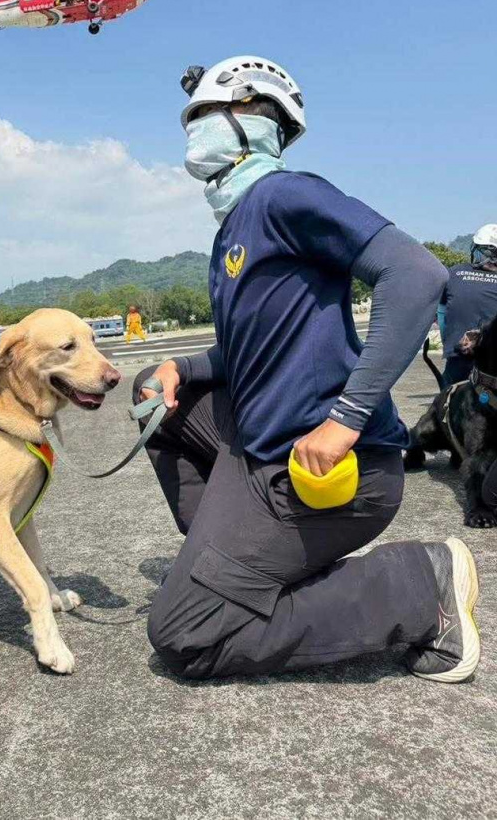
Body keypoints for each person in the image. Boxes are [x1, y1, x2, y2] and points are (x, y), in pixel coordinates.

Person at [135, 54, 480, 683]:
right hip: (262, 446)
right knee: (158, 399)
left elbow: (416, 275)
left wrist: (346, 418)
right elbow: (249, 349)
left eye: (203, 115)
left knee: (185, 634)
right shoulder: (234, 228)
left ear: (251, 115)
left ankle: (417, 587)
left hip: (331, 468)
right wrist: (182, 365)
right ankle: (236, 566)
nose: (192, 131)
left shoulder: (284, 195)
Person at [437, 224, 497, 386]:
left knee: (449, 404)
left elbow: (442, 318)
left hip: (458, 359)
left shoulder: (454, 273)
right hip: (491, 363)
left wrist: (451, 343)